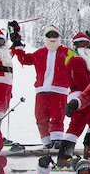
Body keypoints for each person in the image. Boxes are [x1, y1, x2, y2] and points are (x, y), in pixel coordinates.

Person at [14, 24, 72, 154]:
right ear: (45, 37)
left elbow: (79, 60)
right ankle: (47, 143)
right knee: (40, 117)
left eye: (54, 35)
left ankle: (57, 142)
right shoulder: (40, 53)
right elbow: (24, 59)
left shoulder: (66, 52)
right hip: (41, 91)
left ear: (59, 37)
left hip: (59, 91)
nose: (52, 38)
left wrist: (85, 45)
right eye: (49, 35)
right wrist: (17, 43)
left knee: (57, 117)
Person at [61, 29, 90, 160]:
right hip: (81, 97)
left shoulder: (81, 59)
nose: (85, 47)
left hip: (85, 96)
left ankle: (89, 149)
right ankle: (64, 156)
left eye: (87, 44)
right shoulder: (76, 60)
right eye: (82, 44)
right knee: (76, 126)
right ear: (76, 46)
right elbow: (83, 82)